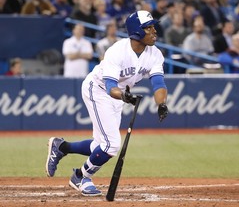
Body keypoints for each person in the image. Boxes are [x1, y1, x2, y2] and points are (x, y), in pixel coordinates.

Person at [45, 10, 168, 196]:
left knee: (101, 145)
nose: (154, 31)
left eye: (153, 27)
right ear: (136, 31)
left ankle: (61, 147)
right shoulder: (117, 51)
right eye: (148, 28)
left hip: (119, 96)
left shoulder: (155, 54)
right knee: (111, 145)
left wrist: (162, 104)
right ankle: (80, 176)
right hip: (99, 89)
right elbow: (111, 87)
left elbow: (158, 82)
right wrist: (125, 97)